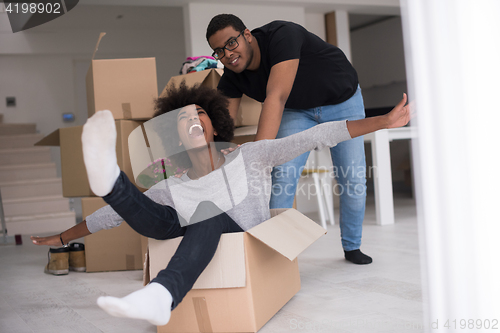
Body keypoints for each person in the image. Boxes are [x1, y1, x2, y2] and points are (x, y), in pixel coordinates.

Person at [31, 82, 410, 326]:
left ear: (213, 124)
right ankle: (110, 181)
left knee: (205, 215)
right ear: (175, 136)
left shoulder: (251, 157)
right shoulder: (172, 184)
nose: (192, 120)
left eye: (198, 113)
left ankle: (163, 294)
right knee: (155, 210)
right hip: (180, 225)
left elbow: (317, 134)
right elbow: (114, 216)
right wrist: (64, 236)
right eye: (181, 119)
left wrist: (383, 122)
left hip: (242, 238)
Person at [206, 14, 374, 264]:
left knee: (352, 177)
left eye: (231, 43)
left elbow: (276, 97)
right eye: (218, 51)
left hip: (342, 101)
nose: (228, 54)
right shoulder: (233, 74)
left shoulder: (282, 36)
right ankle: (274, 251)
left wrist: (257, 157)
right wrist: (206, 159)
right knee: (282, 176)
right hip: (297, 111)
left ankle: (352, 246)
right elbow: (221, 125)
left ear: (247, 35)